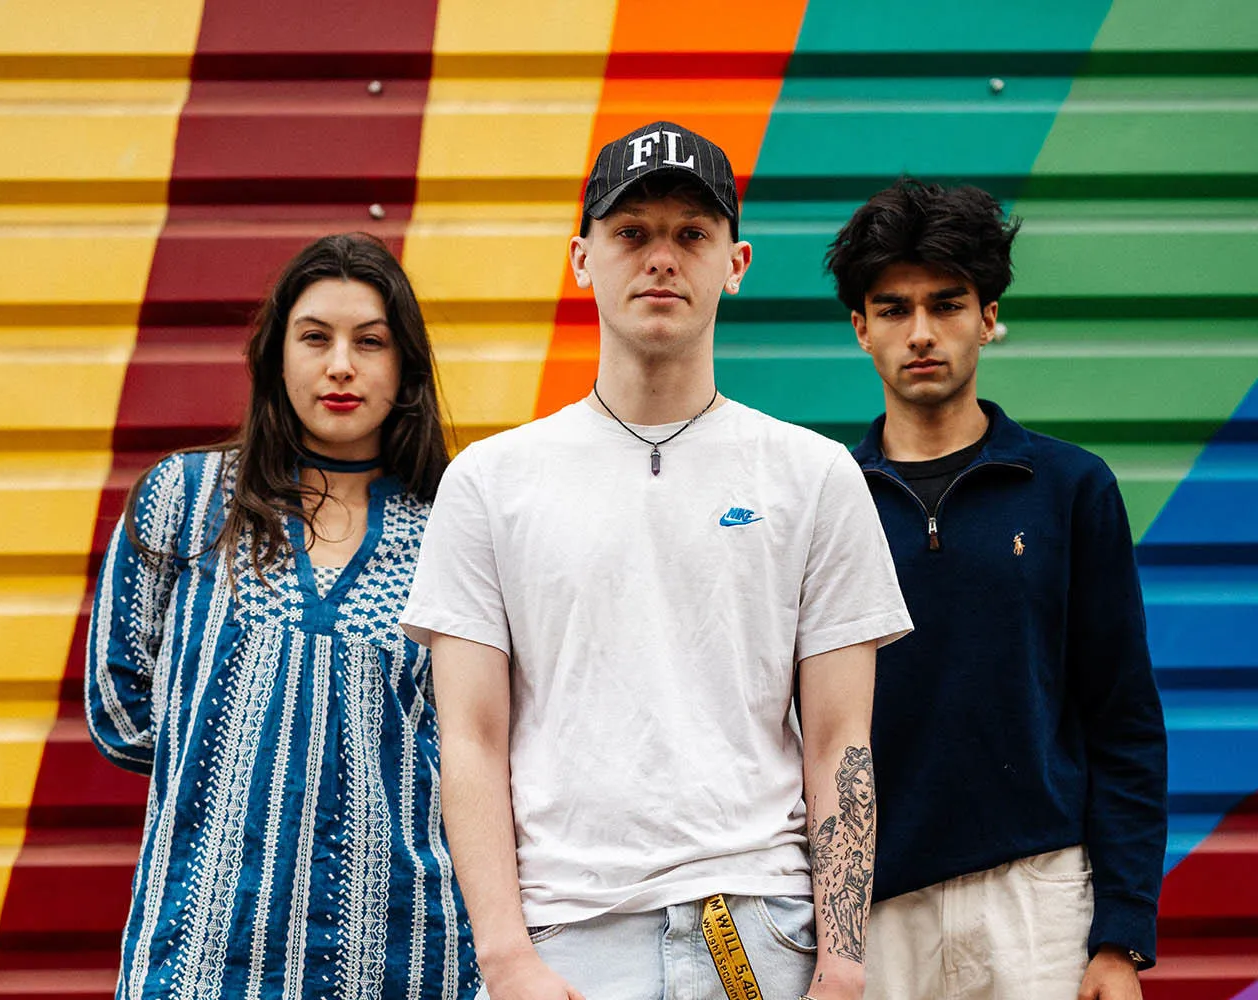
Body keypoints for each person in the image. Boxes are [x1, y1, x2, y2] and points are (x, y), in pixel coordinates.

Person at [401, 122, 913, 1000]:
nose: (661, 259)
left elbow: (840, 743)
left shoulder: (814, 476)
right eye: (631, 233)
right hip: (569, 939)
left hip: (764, 931)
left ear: (737, 261)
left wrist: (842, 961)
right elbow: (471, 740)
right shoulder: (491, 481)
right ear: (582, 259)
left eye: (691, 234)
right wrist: (506, 955)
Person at [85, 234, 479, 1000]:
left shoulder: (455, 529)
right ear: (277, 357)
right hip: (200, 950)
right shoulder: (188, 500)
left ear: (406, 368)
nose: (341, 365)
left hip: (397, 950)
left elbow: (492, 738)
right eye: (315, 338)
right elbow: (117, 702)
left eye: (371, 342)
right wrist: (236, 786)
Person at [825, 178, 1168, 1000]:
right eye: (894, 308)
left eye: (947, 304)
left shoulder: (1070, 488)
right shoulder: (821, 497)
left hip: (1038, 900)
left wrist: (1120, 935)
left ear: (987, 318)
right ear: (860, 328)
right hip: (870, 911)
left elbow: (1123, 720)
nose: (921, 333)